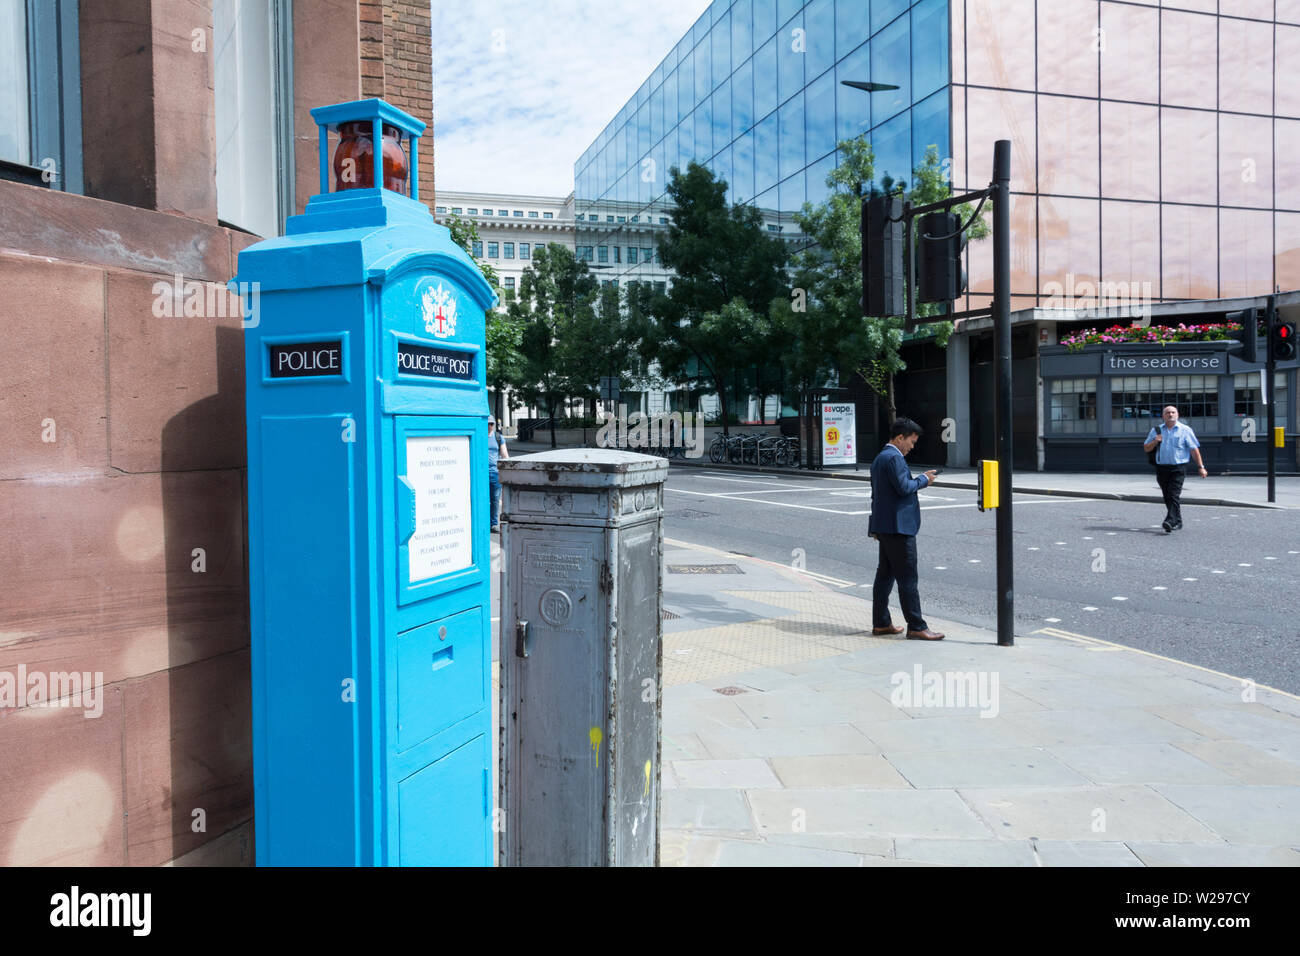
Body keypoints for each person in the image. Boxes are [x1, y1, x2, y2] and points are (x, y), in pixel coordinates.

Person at [868, 418, 943, 641]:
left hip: (887, 526)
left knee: (885, 576)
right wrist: (923, 479)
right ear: (900, 438)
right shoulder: (894, 458)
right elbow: (904, 488)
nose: (912, 446)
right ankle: (917, 626)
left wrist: (875, 527)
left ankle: (881, 623)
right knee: (908, 578)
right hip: (899, 528)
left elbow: (879, 495)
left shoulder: (880, 458)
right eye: (911, 441)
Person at [1143, 405, 1207, 533]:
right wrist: (1155, 441)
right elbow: (1146, 448)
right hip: (1161, 468)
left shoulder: (1185, 430)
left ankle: (1170, 520)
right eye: (1167, 413)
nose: (1170, 414)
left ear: (1177, 415)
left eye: (1173, 412)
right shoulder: (1156, 430)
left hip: (1178, 468)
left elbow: (1194, 450)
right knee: (1167, 496)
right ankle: (1177, 521)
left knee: (1173, 494)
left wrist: (1201, 467)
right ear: (1163, 416)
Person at [488, 417, 509, 532]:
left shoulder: (498, 437)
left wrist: (509, 469)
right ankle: (484, 522)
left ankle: (493, 523)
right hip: (480, 474)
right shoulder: (479, 436)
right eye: (488, 424)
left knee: (495, 500)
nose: (489, 426)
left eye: (491, 424)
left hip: (495, 473)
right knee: (483, 499)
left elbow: (504, 454)